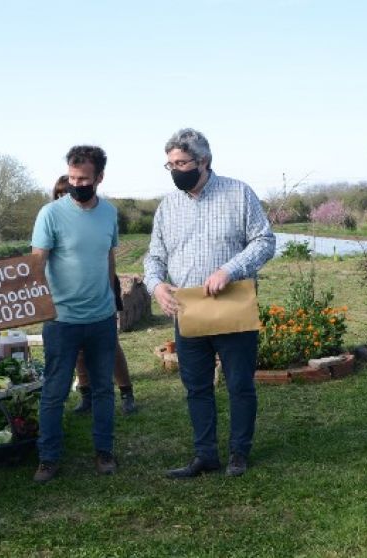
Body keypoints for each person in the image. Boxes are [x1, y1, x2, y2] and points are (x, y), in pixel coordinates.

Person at [144, 128, 275, 479]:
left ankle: (239, 453)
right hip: (189, 310)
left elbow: (264, 241)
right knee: (196, 386)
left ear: (204, 161)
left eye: (182, 163)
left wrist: (229, 270)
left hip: (232, 305)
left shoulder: (238, 193)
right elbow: (154, 257)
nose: (175, 170)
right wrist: (156, 286)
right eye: (170, 164)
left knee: (239, 384)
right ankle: (205, 455)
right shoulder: (167, 207)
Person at [31, 146, 120, 483]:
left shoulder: (109, 213)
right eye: (71, 177)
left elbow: (109, 257)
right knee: (54, 391)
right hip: (62, 319)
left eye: (83, 178)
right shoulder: (50, 214)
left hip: (100, 318)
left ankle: (104, 452)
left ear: (99, 177)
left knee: (102, 390)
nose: (76, 183)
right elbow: (37, 263)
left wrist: (114, 298)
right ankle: (48, 457)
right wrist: (40, 305)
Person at [52, 175, 137, 415]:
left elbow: (108, 255)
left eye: (65, 193)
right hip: (69, 296)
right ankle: (86, 394)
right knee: (79, 349)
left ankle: (126, 392)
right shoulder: (52, 220)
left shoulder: (99, 215)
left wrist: (110, 290)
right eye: (58, 195)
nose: (63, 198)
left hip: (100, 289)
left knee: (110, 345)